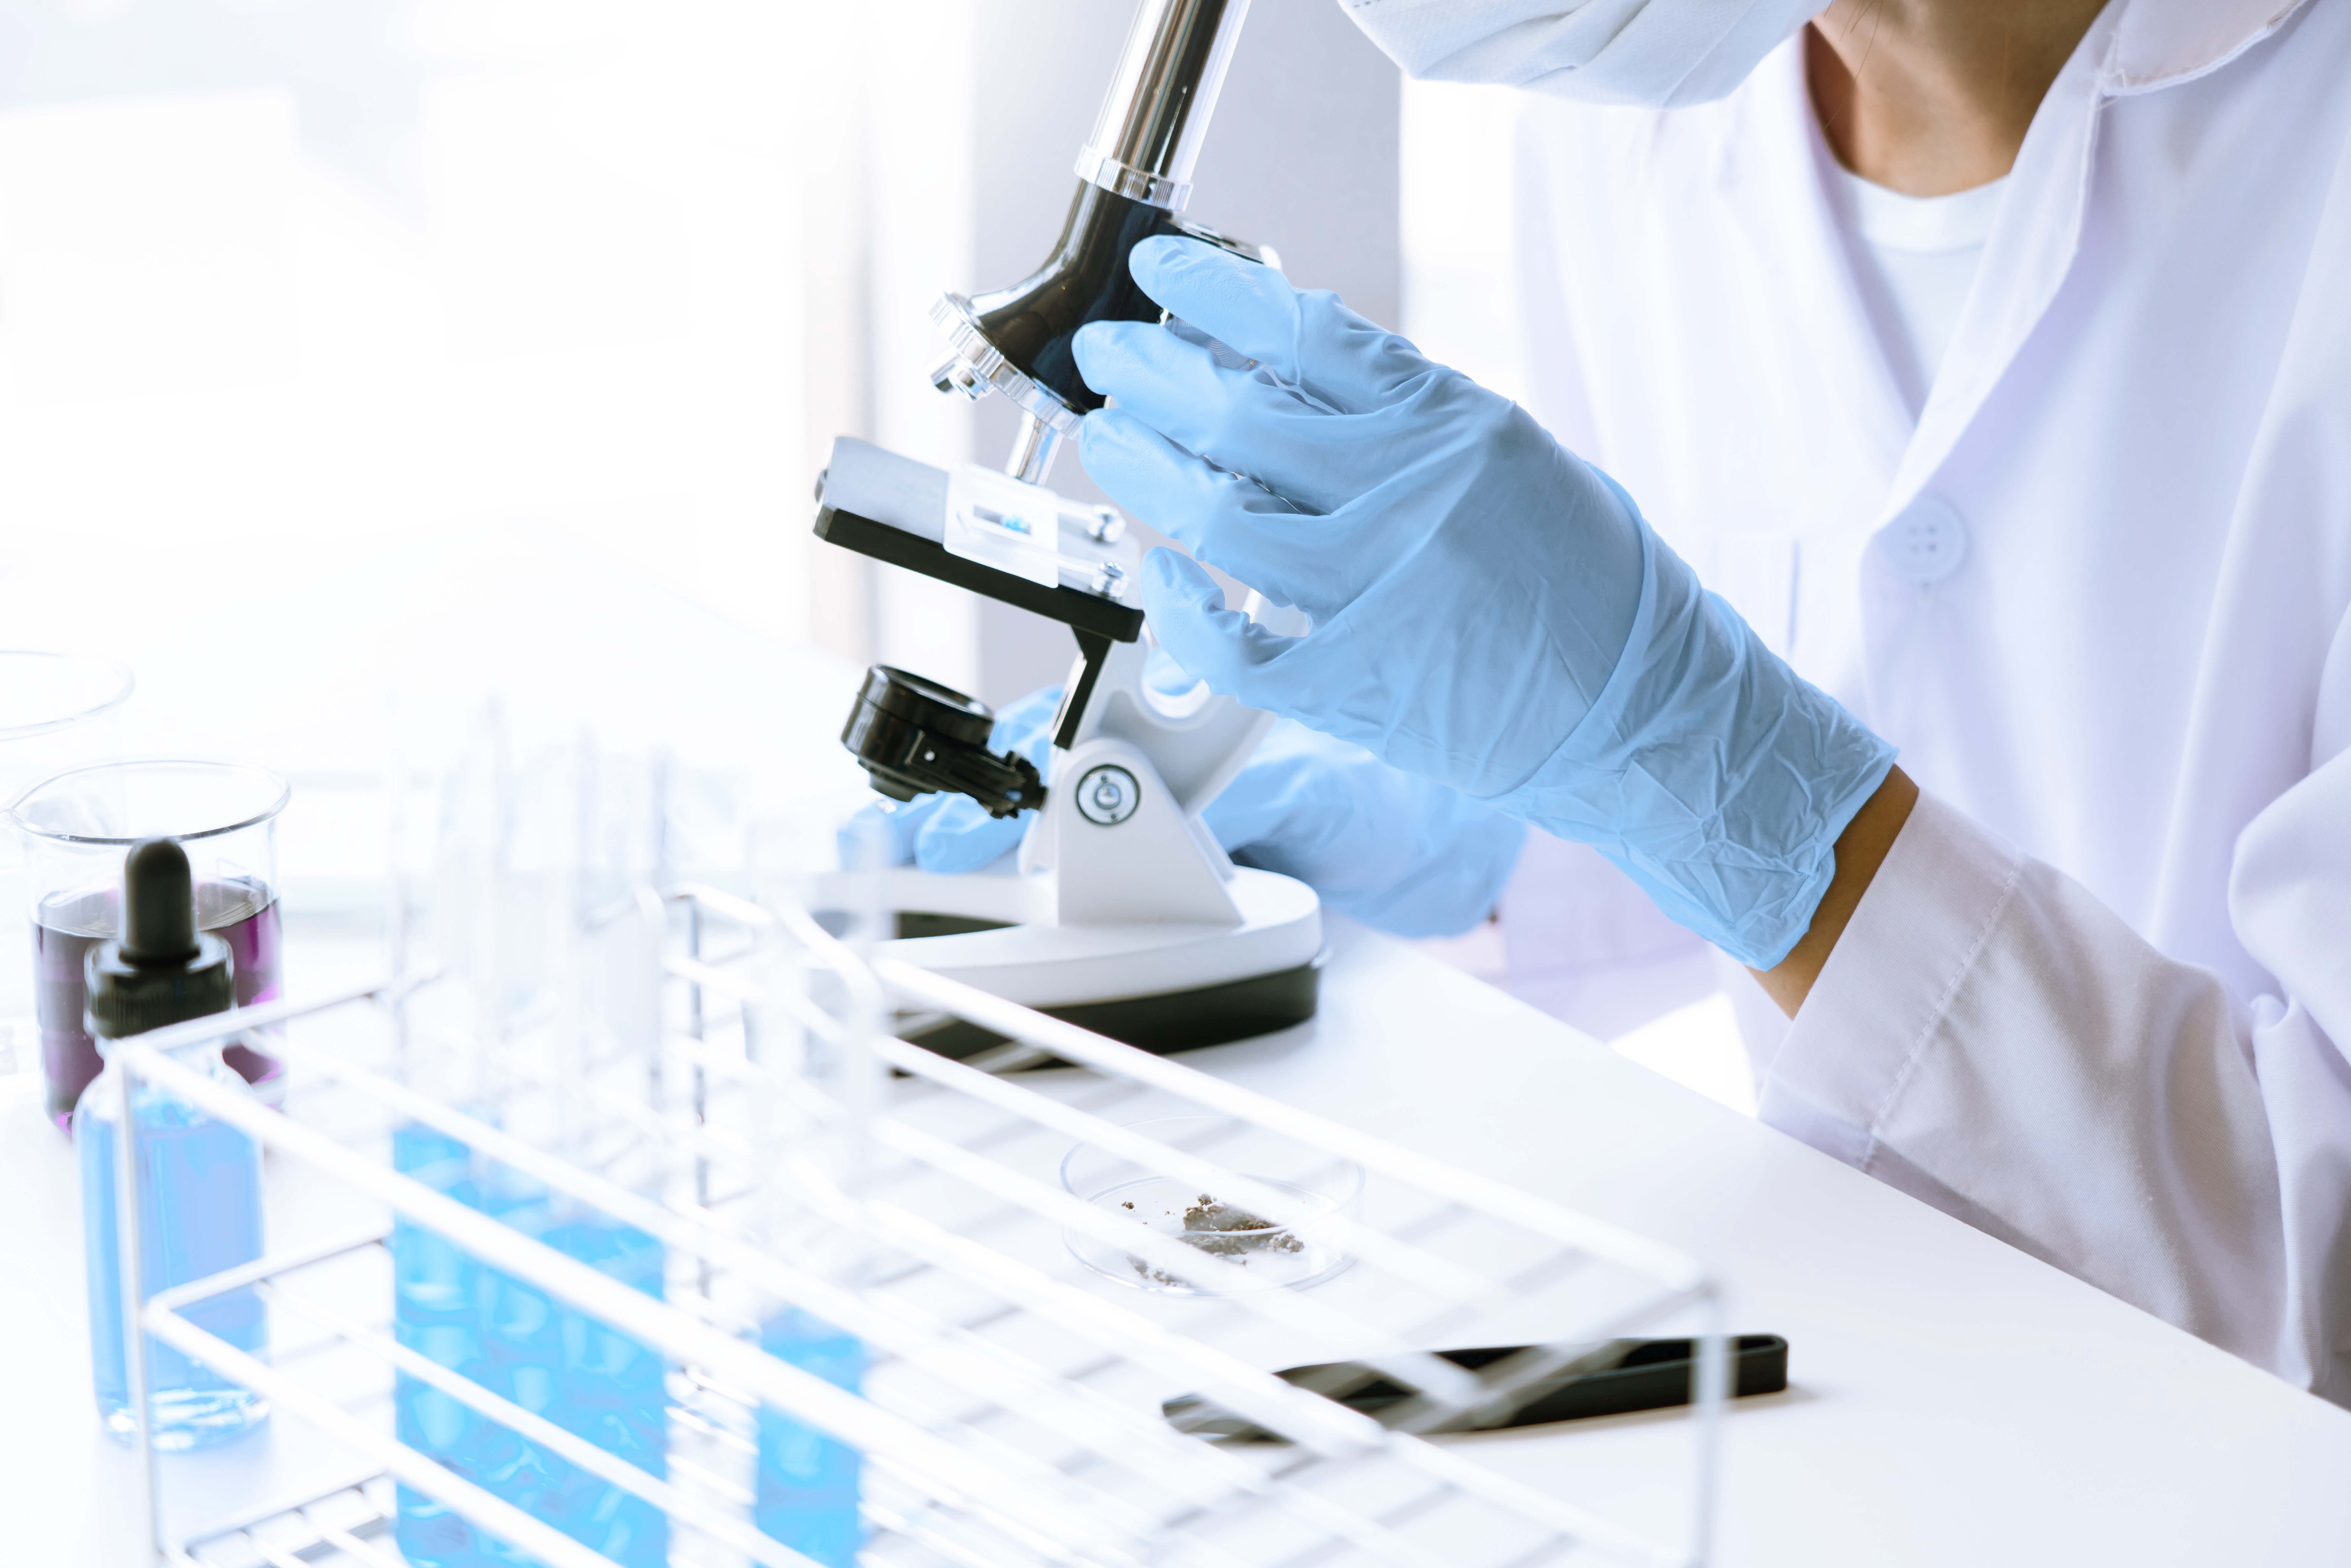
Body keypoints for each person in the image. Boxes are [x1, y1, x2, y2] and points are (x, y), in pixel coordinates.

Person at [870, 0, 2351, 1405]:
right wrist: (1484, 819)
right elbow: (1770, 757)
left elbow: (2318, 1274)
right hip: (1858, 1394)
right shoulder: (1641, 98)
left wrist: (1701, 764)